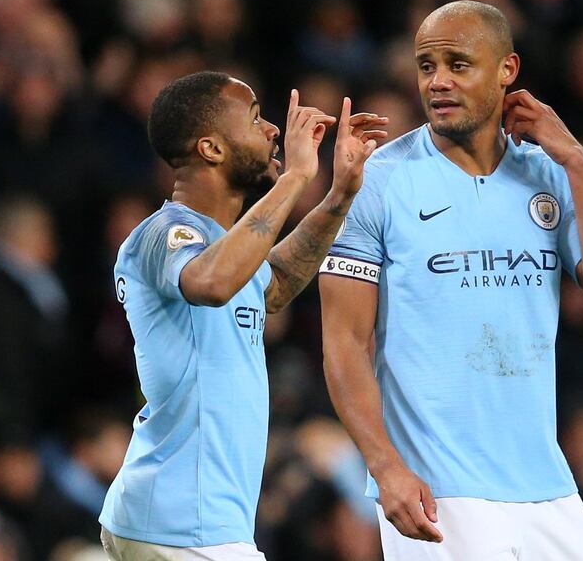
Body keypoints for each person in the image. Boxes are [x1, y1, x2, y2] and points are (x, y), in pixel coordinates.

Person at [319, 1, 583, 560]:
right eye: (426, 66)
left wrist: (577, 162)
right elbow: (345, 342)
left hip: (546, 485)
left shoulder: (547, 173)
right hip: (437, 490)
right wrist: (386, 467)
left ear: (507, 70)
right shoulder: (379, 181)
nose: (438, 82)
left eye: (458, 64)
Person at [98, 71, 386, 560]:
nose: (274, 129)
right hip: (179, 521)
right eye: (256, 119)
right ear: (210, 149)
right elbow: (211, 284)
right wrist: (295, 176)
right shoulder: (164, 233)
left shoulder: (227, 249)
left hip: (200, 521)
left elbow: (272, 285)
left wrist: (339, 196)